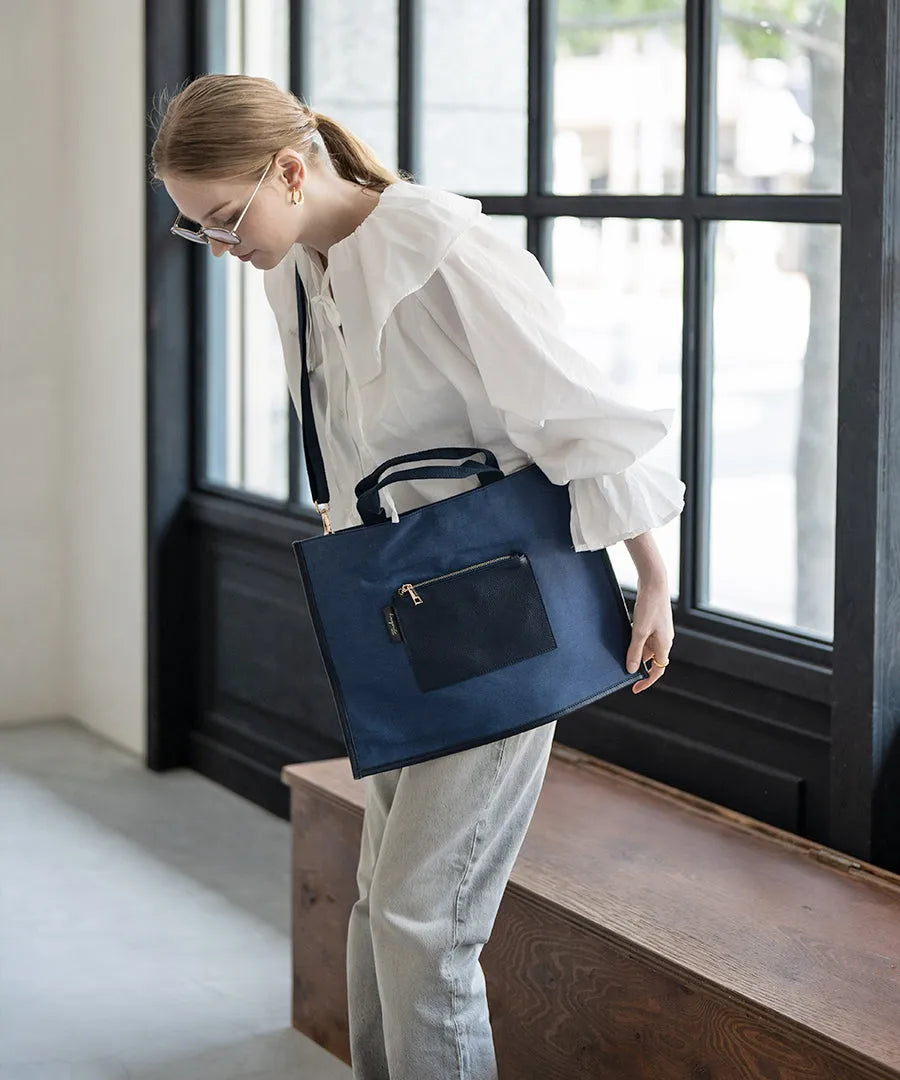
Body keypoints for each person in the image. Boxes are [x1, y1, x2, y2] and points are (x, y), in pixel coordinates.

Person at [151, 73, 685, 1080]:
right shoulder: (293, 270)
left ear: (292, 170)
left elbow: (581, 413)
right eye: (199, 230)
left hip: (501, 614)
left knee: (423, 922)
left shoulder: (445, 249)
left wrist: (651, 580)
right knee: (381, 904)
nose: (222, 246)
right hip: (397, 610)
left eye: (226, 218)